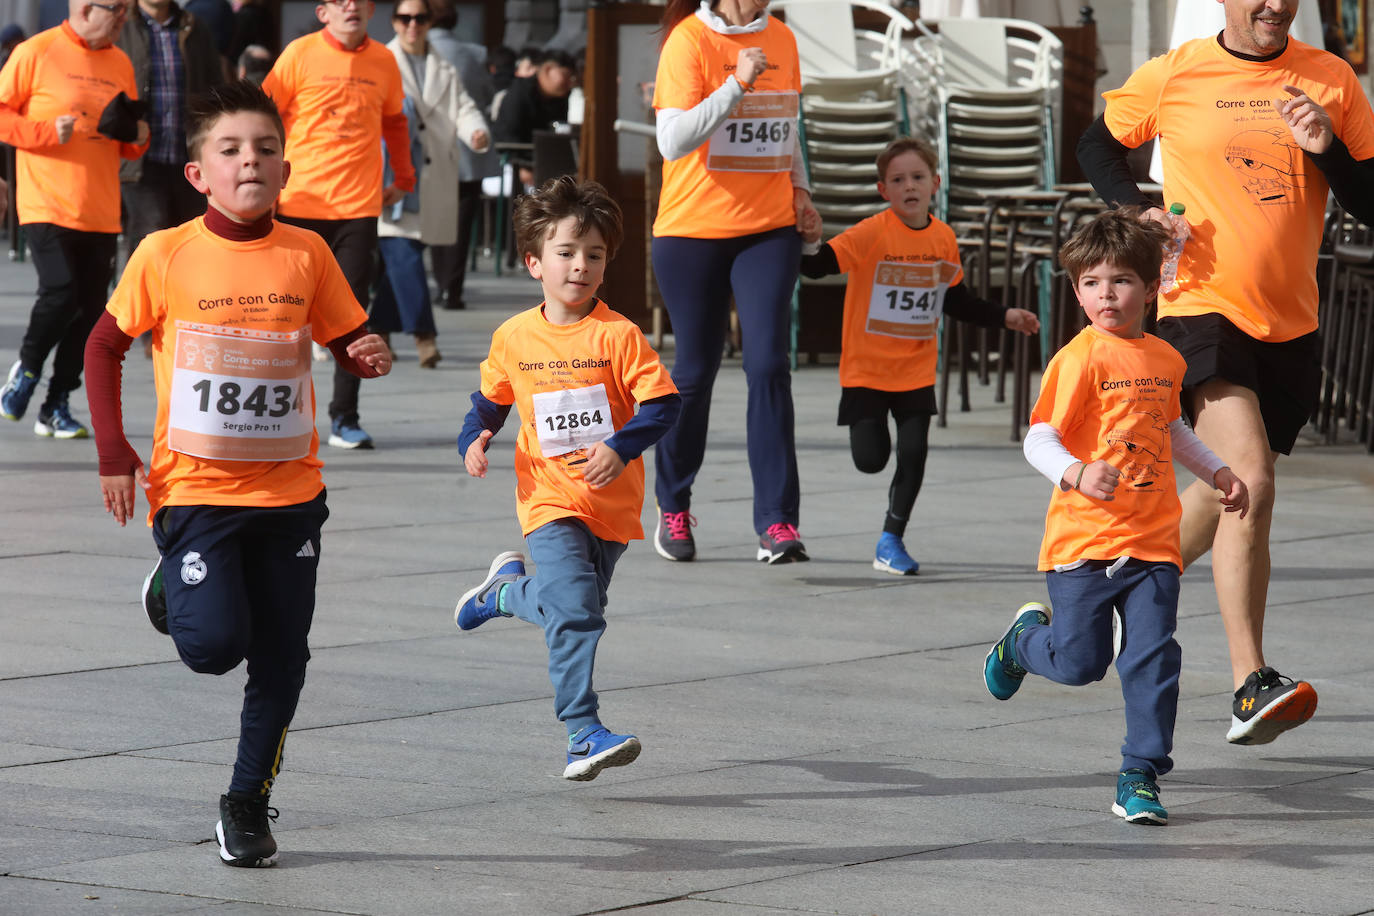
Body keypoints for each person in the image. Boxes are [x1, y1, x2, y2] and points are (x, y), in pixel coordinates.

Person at [83, 80, 393, 867]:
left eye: (264, 149)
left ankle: (246, 801)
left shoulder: (307, 251)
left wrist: (365, 351)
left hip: (291, 493)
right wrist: (114, 454)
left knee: (284, 657)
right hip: (197, 492)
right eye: (230, 151)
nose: (249, 162)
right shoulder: (166, 253)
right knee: (216, 645)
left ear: (285, 169)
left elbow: (348, 333)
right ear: (198, 175)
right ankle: (173, 587)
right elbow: (102, 347)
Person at [1077, 0, 1374, 745]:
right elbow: (1095, 144)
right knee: (1252, 479)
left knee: (1229, 490)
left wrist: (1329, 151)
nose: (1276, 4)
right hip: (1196, 309)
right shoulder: (1177, 73)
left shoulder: (1331, 77)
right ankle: (1251, 683)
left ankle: (1103, 596)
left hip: (1291, 325)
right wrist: (1134, 208)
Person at [983, 208, 1249, 826]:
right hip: (1084, 543)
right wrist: (1075, 472)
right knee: (1081, 664)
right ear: (1077, 292)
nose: (1108, 294)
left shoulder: (1165, 358)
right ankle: (1023, 643)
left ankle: (1142, 771)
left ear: (1152, 288)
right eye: (1094, 282)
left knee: (1154, 656)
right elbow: (1038, 438)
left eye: (1122, 281)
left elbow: (1172, 428)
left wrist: (1217, 470)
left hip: (1153, 541)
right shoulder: (1079, 360)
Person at [454, 176, 680, 781]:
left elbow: (663, 405)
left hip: (610, 505)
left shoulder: (620, 335)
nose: (581, 266)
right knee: (577, 612)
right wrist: (473, 438)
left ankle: (502, 593)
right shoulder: (515, 336)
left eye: (595, 255)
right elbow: (490, 402)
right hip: (548, 499)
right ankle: (582, 730)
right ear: (534, 262)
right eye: (566, 252)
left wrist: (620, 445)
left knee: (575, 608)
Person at [799, 137, 1040, 575]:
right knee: (871, 460)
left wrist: (1005, 316)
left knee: (913, 456)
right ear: (883, 191)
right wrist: (811, 241)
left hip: (915, 370)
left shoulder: (943, 237)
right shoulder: (873, 232)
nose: (908, 186)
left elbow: (955, 300)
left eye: (917, 177)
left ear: (935, 183)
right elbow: (819, 267)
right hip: (866, 372)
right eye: (897, 180)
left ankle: (891, 539)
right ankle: (882, 495)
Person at [650, 0, 818, 564]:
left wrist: (802, 192)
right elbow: (670, 141)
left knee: (769, 364)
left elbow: (784, 128)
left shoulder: (784, 40)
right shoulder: (689, 41)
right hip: (690, 231)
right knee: (694, 373)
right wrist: (734, 87)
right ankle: (673, 506)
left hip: (768, 230)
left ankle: (777, 522)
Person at [262, 0, 414, 449]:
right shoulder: (299, 54)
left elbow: (395, 122)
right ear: (323, 11)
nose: (353, 7)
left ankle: (344, 417)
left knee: (351, 315)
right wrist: (264, 186)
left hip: (357, 207)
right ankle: (272, 411)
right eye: (341, 1)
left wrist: (404, 178)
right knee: (281, 313)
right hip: (299, 202)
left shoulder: (384, 60)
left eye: (361, 1)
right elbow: (264, 117)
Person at [0, 0, 148, 439]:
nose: (123, 18)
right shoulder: (36, 51)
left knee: (88, 314)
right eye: (116, 9)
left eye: (126, 11)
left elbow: (128, 136)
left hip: (100, 209)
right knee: (60, 291)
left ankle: (57, 403)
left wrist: (138, 138)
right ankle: (25, 371)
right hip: (47, 201)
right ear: (85, 7)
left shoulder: (120, 61)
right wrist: (46, 132)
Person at [373, 0, 489, 366]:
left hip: (435, 175)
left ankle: (378, 330)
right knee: (403, 254)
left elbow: (464, 106)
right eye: (404, 18)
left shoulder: (443, 65)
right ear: (393, 21)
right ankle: (425, 336)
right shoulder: (381, 62)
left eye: (419, 18)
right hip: (392, 177)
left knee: (403, 259)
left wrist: (476, 132)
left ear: (428, 22)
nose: (412, 25)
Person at [116, 0, 222, 265]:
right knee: (151, 242)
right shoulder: (121, 26)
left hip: (190, 157)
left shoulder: (194, 26)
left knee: (193, 244)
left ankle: (187, 306)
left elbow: (216, 89)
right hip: (141, 159)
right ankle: (141, 306)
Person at [426, 0, 497, 311]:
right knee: (462, 224)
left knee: (435, 221)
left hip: (428, 149)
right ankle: (452, 289)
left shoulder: (414, 54)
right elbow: (486, 95)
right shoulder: (475, 54)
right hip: (468, 148)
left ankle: (439, 283)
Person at [493, 48, 574, 189]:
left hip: (550, 166)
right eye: (566, 76)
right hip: (513, 166)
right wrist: (523, 166)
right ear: (548, 69)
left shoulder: (563, 98)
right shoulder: (520, 92)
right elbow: (508, 135)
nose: (569, 83)